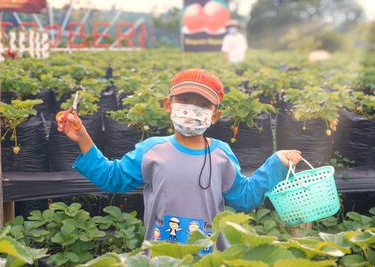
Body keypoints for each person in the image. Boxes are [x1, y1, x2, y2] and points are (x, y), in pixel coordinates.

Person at [56, 68, 302, 250]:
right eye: (184, 101)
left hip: (209, 254)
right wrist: (83, 139)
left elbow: (243, 197)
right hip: (162, 253)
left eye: (203, 104)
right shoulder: (152, 150)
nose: (192, 110)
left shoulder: (220, 154)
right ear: (168, 105)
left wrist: (276, 163)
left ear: (215, 116)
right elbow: (113, 178)